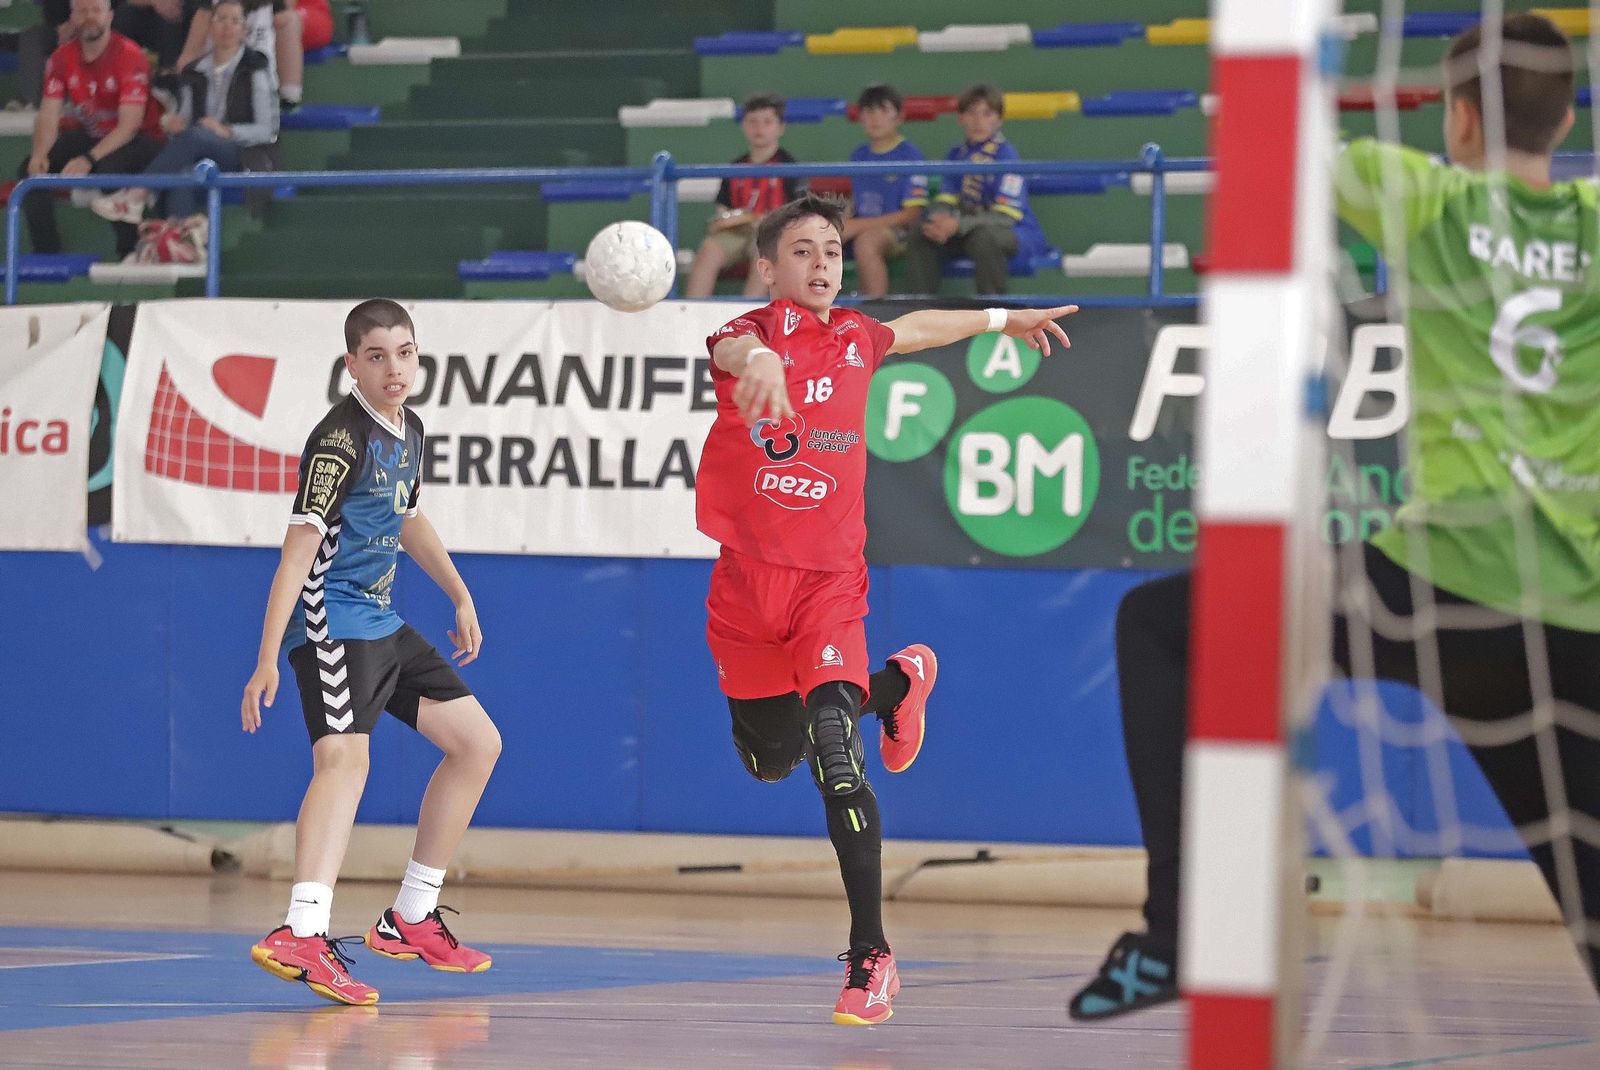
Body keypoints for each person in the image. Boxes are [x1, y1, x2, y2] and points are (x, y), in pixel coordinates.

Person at [1069, 12, 1600, 1022]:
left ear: (1455, 120)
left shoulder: (1426, 195)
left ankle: (1183, 930)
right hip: (1574, 618)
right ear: (1567, 115)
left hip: (1438, 587)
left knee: (1157, 624)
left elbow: (1279, 136)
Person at [700, 192, 1076, 1024]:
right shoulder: (745, 336)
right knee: (771, 760)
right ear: (769, 268)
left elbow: (922, 328)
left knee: (837, 749)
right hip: (745, 591)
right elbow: (734, 349)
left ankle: (870, 956)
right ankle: (899, 687)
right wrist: (757, 362)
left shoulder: (858, 337)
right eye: (803, 251)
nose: (824, 263)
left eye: (833, 249)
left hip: (829, 585)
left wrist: (1000, 323)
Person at [243, 300, 503, 1006]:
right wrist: (268, 657)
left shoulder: (407, 427)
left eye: (406, 353)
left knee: (478, 743)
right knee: (344, 759)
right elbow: (297, 555)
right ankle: (302, 930)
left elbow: (408, 515)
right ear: (352, 363)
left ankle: (411, 916)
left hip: (382, 620)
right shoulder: (338, 440)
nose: (395, 368)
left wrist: (458, 592)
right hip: (331, 623)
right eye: (379, 356)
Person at [90, 0, 277, 254]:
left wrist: (227, 131)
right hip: (198, 150)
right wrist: (172, 122)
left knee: (199, 134)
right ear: (210, 26)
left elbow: (267, 130)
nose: (227, 27)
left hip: (242, 153)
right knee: (183, 172)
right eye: (221, 19)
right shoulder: (195, 71)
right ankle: (182, 244)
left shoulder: (255, 68)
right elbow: (185, 119)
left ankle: (137, 194)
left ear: (244, 29)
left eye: (235, 21)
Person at [15, 0, 163, 260]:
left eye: (96, 11)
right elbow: (49, 113)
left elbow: (129, 126)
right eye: (82, 11)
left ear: (109, 16)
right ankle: (47, 254)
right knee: (30, 171)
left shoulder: (130, 55)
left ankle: (129, 251)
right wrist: (40, 152)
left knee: (107, 169)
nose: (89, 17)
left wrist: (88, 159)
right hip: (94, 135)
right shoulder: (61, 58)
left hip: (142, 139)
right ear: (72, 16)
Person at [903, 83, 1046, 296]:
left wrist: (957, 224)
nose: (979, 121)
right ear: (960, 118)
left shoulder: (1006, 155)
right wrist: (940, 221)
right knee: (922, 232)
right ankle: (922, 310)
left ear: (999, 119)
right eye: (971, 113)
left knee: (984, 238)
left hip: (1016, 231)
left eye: (987, 114)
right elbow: (946, 200)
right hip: (966, 229)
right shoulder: (955, 154)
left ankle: (996, 316)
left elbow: (1006, 217)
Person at [684, 93, 803, 298]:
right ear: (743, 126)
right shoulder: (736, 167)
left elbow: (798, 210)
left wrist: (768, 224)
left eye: (767, 122)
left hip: (771, 232)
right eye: (753, 122)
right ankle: (692, 311)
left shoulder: (789, 166)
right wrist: (733, 221)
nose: (759, 128)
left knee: (763, 254)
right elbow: (723, 206)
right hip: (737, 231)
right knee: (709, 249)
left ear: (781, 127)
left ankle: (746, 315)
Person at [841, 84, 928, 299]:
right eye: (869, 112)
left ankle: (875, 316)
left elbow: (912, 215)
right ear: (860, 118)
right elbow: (858, 200)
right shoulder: (859, 154)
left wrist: (855, 226)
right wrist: (839, 223)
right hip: (862, 226)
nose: (875, 118)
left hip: (902, 232)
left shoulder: (909, 154)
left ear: (899, 118)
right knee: (814, 238)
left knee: (867, 242)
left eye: (883, 111)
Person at [180, 0, 302, 112]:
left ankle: (289, 95)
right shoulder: (207, 10)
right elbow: (190, 54)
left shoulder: (272, 8)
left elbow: (285, 18)